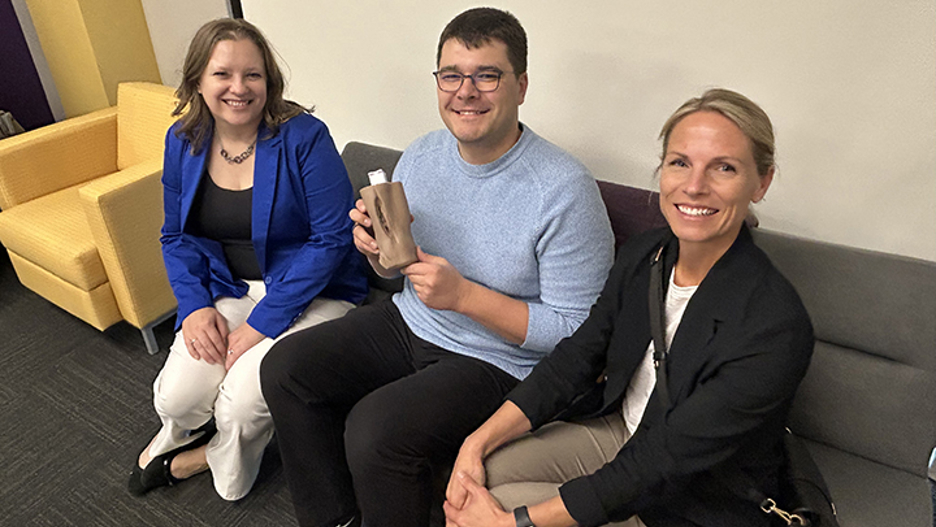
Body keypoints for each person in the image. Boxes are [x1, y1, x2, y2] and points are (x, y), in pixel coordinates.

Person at [259, 7, 614, 527]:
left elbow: (579, 335)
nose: (465, 91)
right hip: (412, 322)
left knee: (374, 430)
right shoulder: (422, 156)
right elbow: (396, 275)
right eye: (451, 75)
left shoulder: (564, 190)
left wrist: (464, 297)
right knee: (286, 369)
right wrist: (378, 254)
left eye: (486, 76)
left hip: (500, 360)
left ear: (521, 85)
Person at [443, 89, 815, 527]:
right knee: (484, 476)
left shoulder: (774, 325)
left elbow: (661, 462)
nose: (694, 186)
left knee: (498, 510)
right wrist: (475, 441)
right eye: (680, 162)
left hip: (692, 499)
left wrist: (514, 524)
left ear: (762, 182)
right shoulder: (647, 256)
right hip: (622, 433)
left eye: (724, 168)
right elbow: (576, 359)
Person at [127, 18, 367, 501]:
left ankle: (206, 461)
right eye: (223, 74)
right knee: (176, 396)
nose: (239, 88)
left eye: (252, 75)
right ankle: (186, 433)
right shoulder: (183, 139)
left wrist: (260, 325)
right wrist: (194, 306)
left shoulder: (304, 136)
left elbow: (333, 238)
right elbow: (175, 236)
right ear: (198, 80)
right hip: (229, 287)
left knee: (240, 404)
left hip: (314, 292)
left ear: (269, 81)